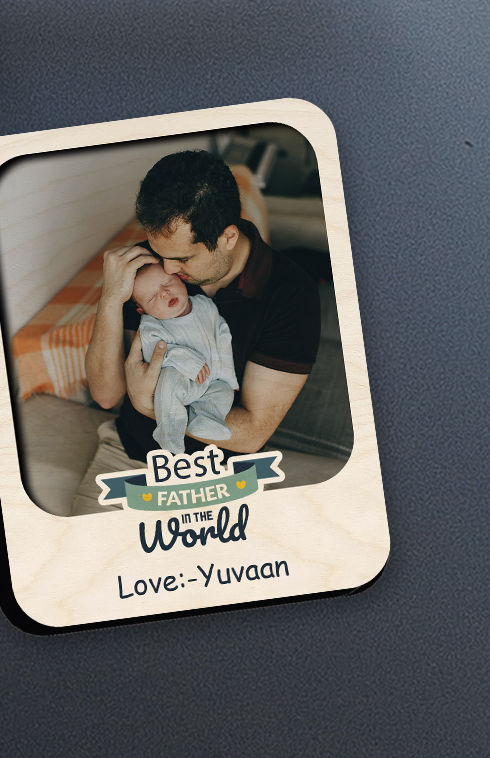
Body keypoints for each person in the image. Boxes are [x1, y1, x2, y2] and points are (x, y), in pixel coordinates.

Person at [71, 149, 321, 515]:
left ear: (228, 237)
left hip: (225, 469)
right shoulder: (147, 268)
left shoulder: (291, 295)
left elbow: (251, 435)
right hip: (131, 458)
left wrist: (149, 405)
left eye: (183, 258)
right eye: (159, 252)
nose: (168, 269)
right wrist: (110, 299)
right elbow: (107, 395)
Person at [130, 261, 238, 453]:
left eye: (167, 282)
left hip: (211, 381)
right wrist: (190, 362)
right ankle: (169, 433)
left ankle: (205, 421)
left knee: (224, 392)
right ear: (142, 310)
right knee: (168, 382)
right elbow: (154, 354)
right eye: (152, 296)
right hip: (181, 382)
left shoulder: (204, 304)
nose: (164, 293)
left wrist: (228, 377)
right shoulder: (151, 325)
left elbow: (222, 336)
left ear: (181, 279)